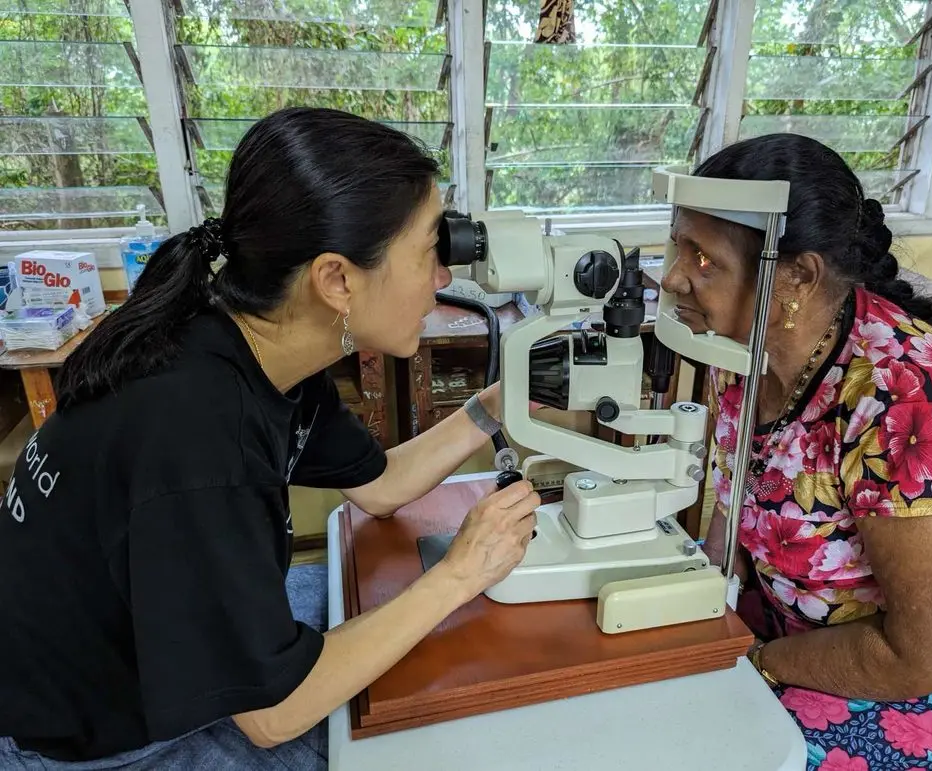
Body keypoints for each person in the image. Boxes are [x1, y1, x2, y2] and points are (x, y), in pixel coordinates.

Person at [0, 107, 540, 769]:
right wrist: (460, 574)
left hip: (148, 640)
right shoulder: (197, 431)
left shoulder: (252, 338)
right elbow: (271, 712)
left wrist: (494, 406)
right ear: (337, 279)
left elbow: (380, 485)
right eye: (431, 252)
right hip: (92, 738)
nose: (444, 279)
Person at [662, 134, 932, 771]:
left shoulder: (905, 398)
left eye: (704, 258)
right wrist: (704, 600)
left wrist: (758, 663)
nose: (672, 276)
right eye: (678, 244)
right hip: (788, 627)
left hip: (917, 673)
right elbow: (743, 492)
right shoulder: (747, 343)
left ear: (798, 275)